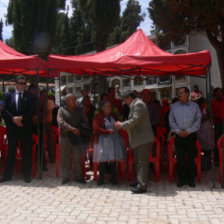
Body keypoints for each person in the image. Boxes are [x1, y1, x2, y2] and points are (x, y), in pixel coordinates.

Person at [114, 91, 154, 194]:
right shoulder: (136, 104)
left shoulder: (139, 104)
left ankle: (142, 186)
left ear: (129, 98)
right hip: (138, 139)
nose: (124, 102)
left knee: (142, 162)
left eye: (124, 99)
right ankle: (139, 181)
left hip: (143, 139)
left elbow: (135, 121)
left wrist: (122, 125)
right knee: (138, 162)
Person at [1, 75, 35, 183]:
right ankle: (7, 175)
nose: (24, 85)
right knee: (11, 152)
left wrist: (22, 118)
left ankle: (26, 175)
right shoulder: (8, 95)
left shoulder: (30, 96)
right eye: (21, 83)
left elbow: (31, 110)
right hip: (12, 128)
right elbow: (5, 110)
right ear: (16, 84)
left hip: (25, 128)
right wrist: (13, 119)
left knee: (26, 152)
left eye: (25, 83)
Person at [169, 87, 201, 188]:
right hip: (179, 135)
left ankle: (191, 179)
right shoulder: (174, 106)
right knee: (180, 159)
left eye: (181, 93)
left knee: (191, 158)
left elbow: (198, 120)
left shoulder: (195, 106)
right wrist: (178, 131)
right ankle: (181, 179)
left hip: (190, 135)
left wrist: (188, 131)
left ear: (187, 94)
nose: (179, 95)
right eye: (178, 93)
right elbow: (171, 121)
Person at [57, 94, 88, 184]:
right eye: (72, 100)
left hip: (76, 137)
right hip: (65, 137)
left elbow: (85, 122)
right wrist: (71, 129)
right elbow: (61, 122)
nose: (74, 101)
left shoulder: (80, 110)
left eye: (75, 99)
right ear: (67, 101)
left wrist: (80, 130)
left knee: (77, 157)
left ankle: (78, 176)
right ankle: (66, 176)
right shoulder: (61, 110)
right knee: (65, 157)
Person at [93, 100, 126, 186]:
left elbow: (119, 123)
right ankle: (101, 180)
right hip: (102, 141)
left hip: (113, 140)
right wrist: (107, 131)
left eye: (110, 106)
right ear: (103, 108)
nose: (110, 108)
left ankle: (113, 179)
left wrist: (118, 127)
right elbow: (96, 129)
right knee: (102, 160)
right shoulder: (98, 117)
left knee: (113, 159)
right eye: (108, 106)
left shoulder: (113, 116)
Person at [212, 87, 224, 166]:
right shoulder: (213, 102)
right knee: (217, 142)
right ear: (215, 94)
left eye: (221, 92)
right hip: (218, 124)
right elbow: (214, 113)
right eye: (218, 92)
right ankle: (217, 159)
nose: (220, 94)